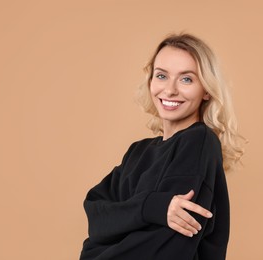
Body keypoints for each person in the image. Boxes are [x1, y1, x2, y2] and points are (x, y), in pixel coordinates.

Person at [80, 33, 244, 260]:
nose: (170, 90)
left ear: (206, 89)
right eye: (161, 76)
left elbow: (168, 248)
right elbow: (97, 219)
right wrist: (151, 207)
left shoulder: (199, 142)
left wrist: (116, 233)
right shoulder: (138, 152)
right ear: (150, 82)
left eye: (186, 79)